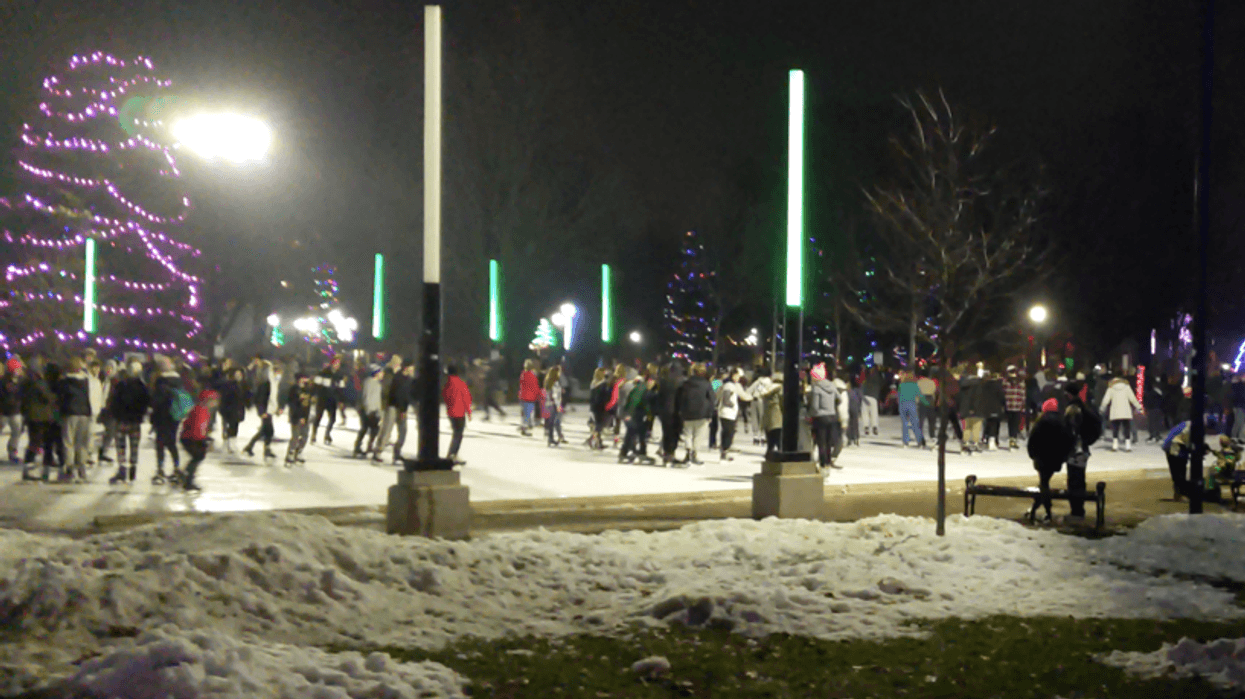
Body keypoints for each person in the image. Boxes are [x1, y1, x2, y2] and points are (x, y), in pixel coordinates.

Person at [1027, 398, 1075, 524]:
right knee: (1044, 483)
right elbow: (1069, 441)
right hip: (1055, 458)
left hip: (1041, 458)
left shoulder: (1040, 422)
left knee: (1044, 484)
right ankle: (1039, 510)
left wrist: (1033, 455)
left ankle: (1042, 511)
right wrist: (1063, 457)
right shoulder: (1063, 422)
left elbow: (1033, 440)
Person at [107, 361, 150, 484]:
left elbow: (114, 401)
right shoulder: (142, 386)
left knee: (121, 447)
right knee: (134, 446)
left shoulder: (121, 385)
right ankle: (132, 471)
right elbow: (146, 403)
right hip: (135, 421)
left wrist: (115, 414)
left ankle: (122, 470)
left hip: (122, 420)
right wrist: (141, 415)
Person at [1064, 388, 1101, 520]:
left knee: (1073, 480)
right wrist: (1088, 440)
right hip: (1083, 450)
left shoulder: (1072, 410)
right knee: (1080, 478)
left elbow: (1069, 429)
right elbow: (1096, 426)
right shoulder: (1086, 409)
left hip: (1074, 450)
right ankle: (1078, 509)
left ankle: (1076, 510)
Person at [19, 360, 58, 481]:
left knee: (33, 443)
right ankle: (35, 470)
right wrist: (55, 397)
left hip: (32, 417)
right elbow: (47, 397)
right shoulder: (39, 383)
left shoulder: (26, 383)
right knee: (39, 443)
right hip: (41, 417)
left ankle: (28, 468)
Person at [149, 357, 185, 483]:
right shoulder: (178, 379)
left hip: (162, 415)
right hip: (174, 416)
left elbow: (156, 399)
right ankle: (176, 467)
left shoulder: (160, 380)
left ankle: (160, 469)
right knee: (171, 442)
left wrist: (153, 416)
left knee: (160, 443)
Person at [58, 357, 93, 482]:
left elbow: (61, 398)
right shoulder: (85, 380)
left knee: (68, 442)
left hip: (70, 413)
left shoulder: (65, 381)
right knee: (81, 442)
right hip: (84, 413)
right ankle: (82, 467)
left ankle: (70, 468)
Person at [178, 389, 217, 492]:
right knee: (198, 456)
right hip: (189, 438)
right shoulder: (199, 410)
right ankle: (188, 481)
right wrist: (204, 440)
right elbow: (196, 428)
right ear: (207, 401)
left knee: (198, 457)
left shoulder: (205, 411)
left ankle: (184, 475)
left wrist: (206, 438)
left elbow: (203, 428)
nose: (215, 403)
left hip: (193, 438)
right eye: (213, 400)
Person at [677, 363, 715, 466]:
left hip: (687, 412)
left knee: (688, 434)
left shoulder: (686, 383)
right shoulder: (707, 384)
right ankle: (695, 454)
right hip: (702, 414)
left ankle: (688, 451)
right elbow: (712, 400)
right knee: (699, 435)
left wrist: (681, 411)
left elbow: (681, 398)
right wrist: (710, 414)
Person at [375, 363, 414, 464]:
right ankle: (378, 451)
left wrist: (404, 409)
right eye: (411, 367)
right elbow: (396, 394)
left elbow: (407, 396)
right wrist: (402, 409)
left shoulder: (409, 380)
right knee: (387, 429)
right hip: (393, 406)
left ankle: (397, 453)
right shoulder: (397, 378)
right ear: (406, 367)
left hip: (402, 409)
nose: (413, 369)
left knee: (403, 431)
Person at [244, 362, 282, 460]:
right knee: (267, 430)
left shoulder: (275, 383)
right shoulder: (266, 384)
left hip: (270, 410)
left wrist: (276, 408)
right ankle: (254, 448)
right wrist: (262, 412)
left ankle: (254, 448)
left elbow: (274, 398)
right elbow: (260, 399)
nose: (279, 375)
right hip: (265, 410)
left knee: (266, 430)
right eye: (277, 372)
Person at [619, 369, 656, 464]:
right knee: (632, 433)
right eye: (652, 381)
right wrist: (629, 416)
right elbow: (633, 403)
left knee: (641, 434)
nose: (653, 384)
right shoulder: (641, 389)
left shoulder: (644, 389)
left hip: (638, 415)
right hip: (633, 415)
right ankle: (624, 453)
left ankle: (641, 453)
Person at [1099, 374, 1142, 452]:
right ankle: (1128, 446)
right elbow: (1132, 398)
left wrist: (1102, 408)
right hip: (1125, 411)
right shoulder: (1127, 387)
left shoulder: (1111, 388)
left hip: (1115, 411)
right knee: (1126, 428)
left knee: (1115, 429)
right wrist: (1139, 407)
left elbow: (1106, 399)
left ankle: (1115, 446)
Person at [807, 363, 838, 470]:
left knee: (821, 442)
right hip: (832, 416)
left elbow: (815, 406)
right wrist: (832, 407)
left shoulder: (816, 388)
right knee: (829, 441)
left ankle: (823, 463)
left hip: (820, 417)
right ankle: (828, 462)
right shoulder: (832, 386)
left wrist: (811, 415)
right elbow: (840, 399)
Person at [716, 368, 750, 461]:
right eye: (738, 376)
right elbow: (725, 398)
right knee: (728, 432)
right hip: (727, 412)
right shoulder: (728, 385)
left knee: (727, 432)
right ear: (733, 375)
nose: (739, 378)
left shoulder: (727, 383)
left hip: (728, 412)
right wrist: (731, 404)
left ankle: (724, 450)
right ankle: (724, 450)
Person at [311, 356, 345, 445]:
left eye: (338, 363)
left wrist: (341, 401)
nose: (337, 365)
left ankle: (327, 434)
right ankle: (314, 434)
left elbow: (340, 389)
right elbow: (316, 384)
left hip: (332, 399)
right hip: (322, 398)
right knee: (318, 417)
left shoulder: (339, 374)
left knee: (332, 418)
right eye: (336, 363)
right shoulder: (324, 372)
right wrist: (314, 395)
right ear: (332, 363)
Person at [443, 364, 472, 465]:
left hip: (450, 412)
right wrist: (469, 412)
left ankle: (452, 454)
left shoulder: (447, 383)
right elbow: (466, 398)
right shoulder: (461, 383)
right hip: (459, 412)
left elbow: (445, 396)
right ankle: (452, 454)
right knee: (458, 435)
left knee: (456, 433)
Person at [654, 364, 683, 465]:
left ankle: (666, 454)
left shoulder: (663, 382)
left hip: (664, 411)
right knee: (675, 434)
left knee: (666, 433)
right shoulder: (681, 382)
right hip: (676, 411)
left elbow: (659, 397)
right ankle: (671, 454)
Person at [354, 364, 383, 458]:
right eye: (381, 372)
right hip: (367, 410)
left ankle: (369, 446)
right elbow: (366, 397)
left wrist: (379, 411)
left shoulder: (378, 384)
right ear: (376, 373)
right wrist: (368, 409)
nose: (382, 374)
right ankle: (358, 447)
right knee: (365, 428)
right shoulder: (368, 382)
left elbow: (378, 399)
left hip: (374, 410)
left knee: (374, 429)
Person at [285, 373, 313, 466]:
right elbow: (293, 405)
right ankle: (290, 454)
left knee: (305, 436)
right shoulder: (294, 389)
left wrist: (306, 416)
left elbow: (307, 404)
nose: (306, 380)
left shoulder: (307, 389)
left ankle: (299, 452)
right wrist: (299, 416)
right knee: (295, 436)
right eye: (305, 378)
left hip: (305, 417)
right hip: (296, 417)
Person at [217, 368, 248, 454]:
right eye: (237, 375)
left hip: (238, 409)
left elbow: (246, 397)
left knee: (235, 426)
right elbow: (224, 397)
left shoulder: (244, 385)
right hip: (229, 409)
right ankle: (230, 444)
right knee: (231, 426)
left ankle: (231, 442)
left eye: (240, 375)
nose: (238, 377)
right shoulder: (229, 385)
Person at [755, 368, 784, 457]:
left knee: (770, 438)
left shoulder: (765, 387)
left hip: (767, 414)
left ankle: (769, 453)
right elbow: (782, 402)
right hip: (777, 415)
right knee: (779, 438)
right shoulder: (780, 389)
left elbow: (756, 393)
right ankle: (779, 454)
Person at [1162, 421, 1193, 501]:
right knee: (1179, 472)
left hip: (1171, 446)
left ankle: (1179, 493)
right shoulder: (1190, 428)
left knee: (1178, 472)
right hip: (1174, 447)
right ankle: (1180, 494)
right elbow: (1189, 444)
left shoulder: (1188, 423)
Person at [1, 358, 23, 463]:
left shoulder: (20, 381)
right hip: (4, 411)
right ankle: (12, 452)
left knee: (16, 433)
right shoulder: (4, 381)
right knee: (15, 432)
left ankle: (12, 452)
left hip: (15, 411)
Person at [897, 371, 925, 448]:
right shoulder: (915, 385)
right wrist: (926, 403)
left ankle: (905, 442)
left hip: (902, 405)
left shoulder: (901, 385)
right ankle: (919, 441)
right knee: (915, 424)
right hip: (912, 405)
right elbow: (920, 395)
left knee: (905, 423)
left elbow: (899, 396)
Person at [1002, 366, 1027, 449]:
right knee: (1016, 423)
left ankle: (1011, 439)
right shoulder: (1021, 382)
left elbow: (1003, 394)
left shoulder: (1005, 382)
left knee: (1010, 423)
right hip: (1018, 406)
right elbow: (1023, 395)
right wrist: (1023, 405)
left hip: (1008, 406)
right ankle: (1014, 440)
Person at [543, 365, 565, 447]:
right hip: (553, 404)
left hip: (548, 403)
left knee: (550, 422)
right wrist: (558, 405)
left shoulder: (548, 382)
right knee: (553, 422)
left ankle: (550, 438)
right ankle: (551, 439)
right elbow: (556, 396)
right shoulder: (555, 383)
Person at [518, 359, 540, 436]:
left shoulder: (523, 374)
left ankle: (525, 425)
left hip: (522, 396)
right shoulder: (532, 375)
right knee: (528, 414)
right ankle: (524, 428)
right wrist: (538, 394)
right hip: (530, 397)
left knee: (524, 413)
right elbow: (535, 386)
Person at [861, 367, 881, 437]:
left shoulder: (866, 379)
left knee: (865, 413)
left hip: (866, 396)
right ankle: (874, 426)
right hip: (874, 397)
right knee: (874, 413)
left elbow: (862, 387)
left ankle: (866, 427)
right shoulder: (877, 380)